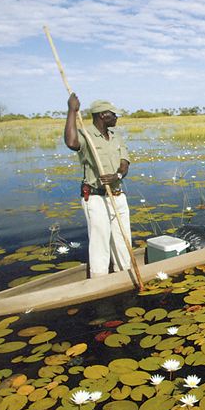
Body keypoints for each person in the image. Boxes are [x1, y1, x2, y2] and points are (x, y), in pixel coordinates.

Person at [64, 93, 132, 278]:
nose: (116, 118)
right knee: (100, 240)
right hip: (96, 197)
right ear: (102, 115)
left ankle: (124, 273)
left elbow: (124, 165)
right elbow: (71, 142)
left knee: (123, 240)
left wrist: (117, 175)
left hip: (118, 195)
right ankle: (99, 278)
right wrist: (71, 110)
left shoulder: (116, 138)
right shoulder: (85, 136)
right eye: (113, 114)